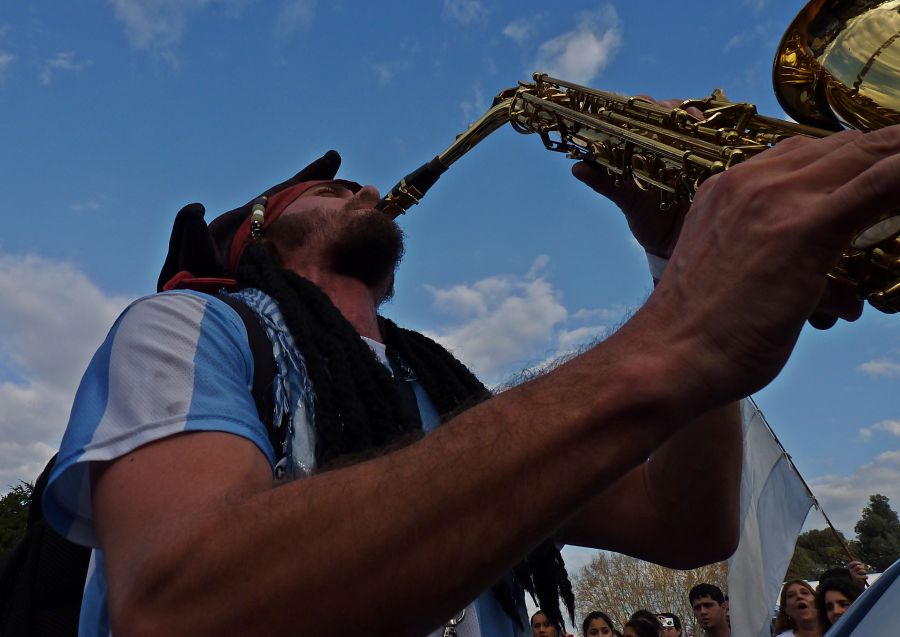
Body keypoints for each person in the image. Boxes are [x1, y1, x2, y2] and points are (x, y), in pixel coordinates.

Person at [42, 117, 900, 637]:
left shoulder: (441, 391)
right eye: (333, 186)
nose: (368, 187)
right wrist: (673, 337)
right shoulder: (189, 325)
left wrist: (669, 256)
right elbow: (181, 606)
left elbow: (688, 523)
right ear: (259, 234)